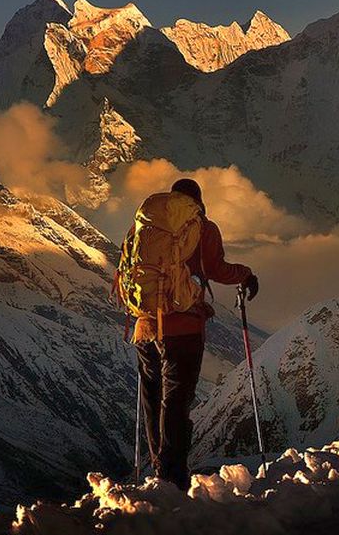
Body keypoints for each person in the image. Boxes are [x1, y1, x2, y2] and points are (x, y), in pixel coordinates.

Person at [132, 178, 258, 490]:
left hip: (146, 325)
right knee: (176, 399)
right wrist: (247, 274)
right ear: (197, 202)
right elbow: (216, 269)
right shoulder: (203, 227)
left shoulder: (147, 226)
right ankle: (172, 475)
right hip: (183, 327)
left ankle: (159, 467)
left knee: (152, 396)